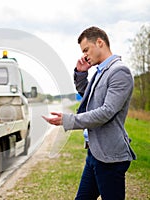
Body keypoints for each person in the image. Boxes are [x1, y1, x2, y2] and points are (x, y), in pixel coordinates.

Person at [42, 26, 136, 200]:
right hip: (94, 152)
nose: (85, 55)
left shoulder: (119, 71)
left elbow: (106, 112)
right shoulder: (101, 71)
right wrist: (80, 74)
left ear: (99, 42)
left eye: (86, 49)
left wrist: (68, 120)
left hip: (110, 156)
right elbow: (89, 97)